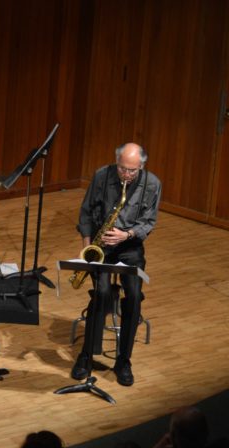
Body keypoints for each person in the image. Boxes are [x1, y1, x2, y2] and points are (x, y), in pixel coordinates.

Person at [70, 142, 161, 386]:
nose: (126, 175)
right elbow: (86, 212)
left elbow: (149, 222)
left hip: (130, 247)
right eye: (122, 169)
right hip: (101, 247)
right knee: (100, 294)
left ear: (141, 166)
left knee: (133, 295)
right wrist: (88, 246)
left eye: (132, 171)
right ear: (116, 161)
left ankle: (124, 360)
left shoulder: (152, 184)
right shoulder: (102, 175)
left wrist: (126, 234)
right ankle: (86, 355)